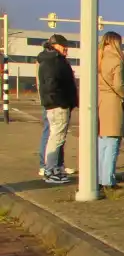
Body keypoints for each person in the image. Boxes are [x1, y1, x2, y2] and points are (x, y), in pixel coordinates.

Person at [97, 31, 124, 191]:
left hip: (100, 102)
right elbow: (119, 84)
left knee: (102, 143)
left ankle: (99, 177)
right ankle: (109, 179)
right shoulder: (117, 60)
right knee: (113, 143)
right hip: (113, 103)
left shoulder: (98, 58)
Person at [37, 34, 78, 185]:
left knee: (56, 137)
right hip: (58, 105)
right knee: (56, 137)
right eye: (64, 47)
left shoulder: (49, 59)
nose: (66, 50)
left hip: (55, 104)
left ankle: (54, 168)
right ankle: (51, 170)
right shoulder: (54, 61)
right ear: (55, 46)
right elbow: (52, 84)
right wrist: (62, 101)